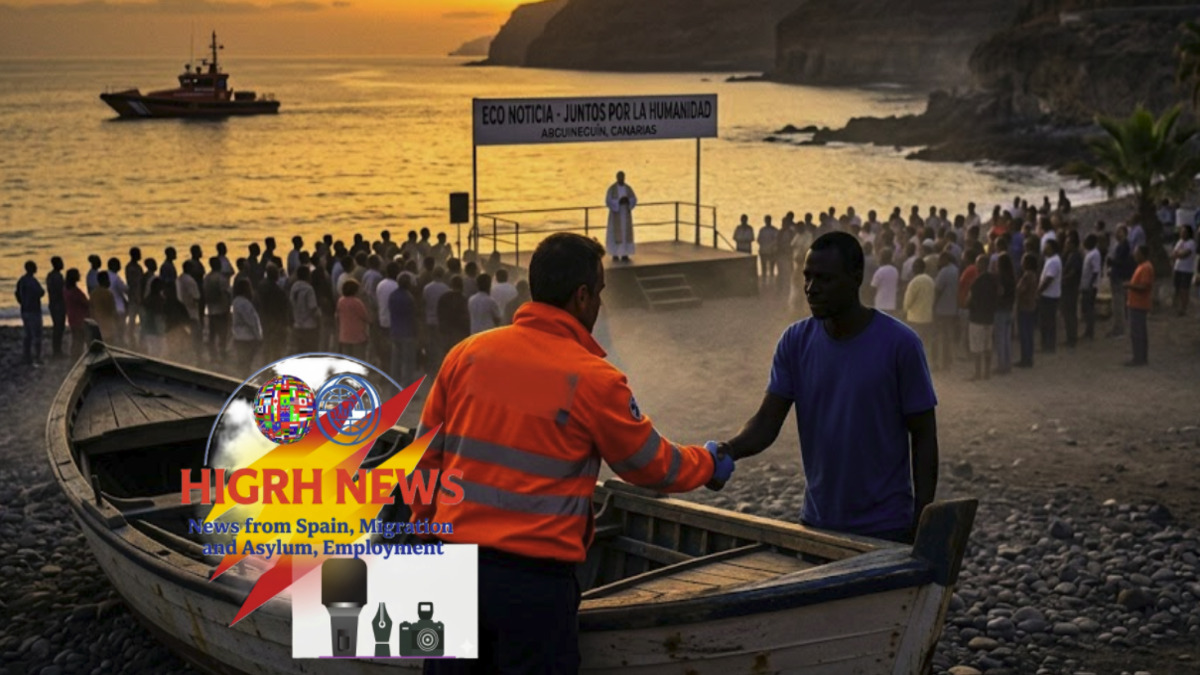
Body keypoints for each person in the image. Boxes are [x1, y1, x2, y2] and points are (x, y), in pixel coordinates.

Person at [414, 232, 732, 675]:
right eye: (599, 292)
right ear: (582, 296)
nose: (599, 304)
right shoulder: (596, 380)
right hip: (534, 585)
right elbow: (652, 465)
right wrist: (709, 462)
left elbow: (424, 459)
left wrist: (426, 539)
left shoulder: (465, 355)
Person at [716, 232, 936, 543]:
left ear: (856, 278)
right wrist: (729, 450)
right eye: (807, 276)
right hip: (817, 522)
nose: (811, 288)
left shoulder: (901, 345)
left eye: (825, 278)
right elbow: (766, 422)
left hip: (886, 527)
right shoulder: (795, 342)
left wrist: (923, 519)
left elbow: (924, 435)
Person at [966, 254, 998, 381]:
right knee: (987, 346)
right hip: (989, 317)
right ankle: (987, 373)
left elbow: (969, 300)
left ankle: (978, 373)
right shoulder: (993, 280)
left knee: (977, 347)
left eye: (978, 263)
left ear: (982, 265)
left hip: (977, 318)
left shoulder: (977, 282)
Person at [1125, 245, 1155, 366]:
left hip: (1139, 304)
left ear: (1142, 254)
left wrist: (1129, 285)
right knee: (1139, 332)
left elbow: (1143, 287)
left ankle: (1138, 358)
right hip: (1136, 303)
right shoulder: (1142, 266)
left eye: (1137, 253)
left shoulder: (1146, 267)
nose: (1134, 255)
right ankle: (1141, 356)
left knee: (1137, 333)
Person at [388, 274, 419, 386]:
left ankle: (394, 386)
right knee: (408, 363)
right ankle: (407, 387)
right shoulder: (409, 298)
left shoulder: (392, 295)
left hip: (395, 331)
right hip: (407, 333)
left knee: (395, 362)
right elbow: (413, 316)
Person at [903, 258, 935, 360]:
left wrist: (904, 311)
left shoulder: (914, 282)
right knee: (925, 343)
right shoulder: (930, 280)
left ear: (915, 268)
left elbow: (908, 302)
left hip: (915, 318)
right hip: (927, 317)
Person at [1107, 225, 1134, 337]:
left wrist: (1112, 262)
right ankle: (1117, 327)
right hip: (1116, 275)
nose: (1117, 234)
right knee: (1116, 304)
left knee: (1119, 304)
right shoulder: (1120, 245)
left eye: (1120, 232)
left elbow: (1122, 263)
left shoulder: (1124, 246)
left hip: (1119, 276)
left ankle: (1120, 328)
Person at [16, 260, 45, 366]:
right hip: (34, 309)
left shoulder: (22, 280)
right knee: (37, 334)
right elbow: (41, 292)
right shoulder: (32, 281)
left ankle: (27, 356)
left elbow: (17, 293)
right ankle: (37, 357)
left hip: (25, 309)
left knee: (28, 334)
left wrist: (22, 302)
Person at [230, 278, 262, 373]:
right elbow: (251, 322)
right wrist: (258, 337)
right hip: (247, 338)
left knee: (242, 362)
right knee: (247, 363)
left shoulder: (236, 301)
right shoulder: (244, 303)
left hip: (238, 336)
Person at [204, 257, 232, 361]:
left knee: (212, 334)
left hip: (211, 309)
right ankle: (222, 353)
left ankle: (213, 355)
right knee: (222, 334)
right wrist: (228, 304)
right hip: (221, 309)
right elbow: (226, 293)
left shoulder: (207, 278)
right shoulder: (221, 278)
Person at [993, 252, 1016, 374]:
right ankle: (1007, 364)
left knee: (1000, 339)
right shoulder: (1012, 277)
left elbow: (1000, 292)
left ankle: (1001, 365)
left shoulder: (1000, 278)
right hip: (1009, 309)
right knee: (1007, 339)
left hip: (1000, 309)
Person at [605, 171, 637, 261]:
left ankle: (625, 254)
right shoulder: (612, 189)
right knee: (615, 234)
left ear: (624, 177)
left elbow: (634, 199)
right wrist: (618, 202)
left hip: (625, 213)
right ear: (617, 177)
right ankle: (615, 254)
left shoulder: (628, 188)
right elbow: (608, 201)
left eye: (622, 177)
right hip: (616, 214)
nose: (621, 178)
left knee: (625, 233)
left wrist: (628, 201)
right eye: (619, 177)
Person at [1015, 253, 1039, 368]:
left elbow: (1020, 289)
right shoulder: (1034, 275)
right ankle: (1029, 357)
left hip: (1024, 306)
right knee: (1029, 334)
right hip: (1031, 306)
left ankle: (1025, 358)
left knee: (1024, 334)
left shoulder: (1026, 276)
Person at [1038, 239, 1062, 353]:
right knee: (1047, 321)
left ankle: (1048, 346)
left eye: (1046, 247)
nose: (1044, 249)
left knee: (1047, 322)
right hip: (1050, 295)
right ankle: (1047, 345)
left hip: (1049, 295)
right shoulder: (1051, 260)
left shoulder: (1053, 261)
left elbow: (1048, 279)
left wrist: (1038, 291)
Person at [289, 266, 320, 354]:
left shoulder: (294, 287)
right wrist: (319, 319)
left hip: (297, 324)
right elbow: (312, 307)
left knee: (300, 351)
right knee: (310, 351)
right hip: (309, 325)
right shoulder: (309, 289)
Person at [337, 278, 370, 360]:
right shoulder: (357, 302)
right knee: (359, 359)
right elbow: (365, 316)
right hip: (357, 336)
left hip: (344, 335)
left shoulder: (341, 301)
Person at [437, 275, 471, 353]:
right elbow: (466, 317)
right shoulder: (463, 299)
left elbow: (439, 314)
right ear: (462, 286)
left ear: (451, 285)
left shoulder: (444, 297)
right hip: (459, 332)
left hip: (446, 331)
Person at [1060, 231, 1082, 348]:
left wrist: (1062, 279)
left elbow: (1073, 272)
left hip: (1071, 287)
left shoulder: (1076, 256)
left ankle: (1072, 337)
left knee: (1070, 313)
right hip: (1067, 287)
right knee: (1067, 313)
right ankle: (1070, 336)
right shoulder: (1068, 255)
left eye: (1068, 243)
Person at [64, 269, 89, 359]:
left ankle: (74, 356)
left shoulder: (66, 289)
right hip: (79, 318)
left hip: (72, 316)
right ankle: (77, 357)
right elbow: (86, 303)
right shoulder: (75, 292)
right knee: (79, 339)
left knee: (76, 339)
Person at [1080, 234, 1102, 340]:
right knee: (1086, 308)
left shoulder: (1095, 254)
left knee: (1089, 308)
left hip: (1090, 286)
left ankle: (1090, 331)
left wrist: (1090, 284)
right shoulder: (1089, 253)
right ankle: (1088, 330)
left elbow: (1095, 271)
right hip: (1085, 285)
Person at [1171, 224, 1195, 316]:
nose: (1182, 233)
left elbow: (1185, 254)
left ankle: (1183, 308)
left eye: (1184, 232)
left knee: (1184, 289)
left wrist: (1178, 254)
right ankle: (1176, 306)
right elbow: (1174, 254)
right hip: (1178, 268)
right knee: (1176, 288)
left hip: (1187, 270)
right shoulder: (1179, 241)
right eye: (1181, 232)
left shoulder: (1191, 243)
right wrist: (1178, 254)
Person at [46, 256, 66, 358]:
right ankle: (57, 351)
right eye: (61, 262)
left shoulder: (50, 275)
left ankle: (57, 350)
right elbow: (60, 291)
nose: (63, 264)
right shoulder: (57, 276)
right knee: (59, 328)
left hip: (54, 303)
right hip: (58, 304)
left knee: (58, 327)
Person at [870, 248, 899, 315]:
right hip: (892, 304)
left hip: (880, 303)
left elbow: (873, 287)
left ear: (882, 258)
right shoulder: (895, 270)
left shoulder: (880, 271)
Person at [757, 215, 779, 282]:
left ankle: (771, 282)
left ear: (770, 220)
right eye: (766, 220)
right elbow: (758, 240)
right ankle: (764, 282)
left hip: (771, 252)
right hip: (763, 251)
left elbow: (777, 240)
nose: (767, 221)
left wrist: (770, 245)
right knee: (763, 268)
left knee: (771, 268)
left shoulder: (774, 230)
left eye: (768, 220)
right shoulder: (762, 230)